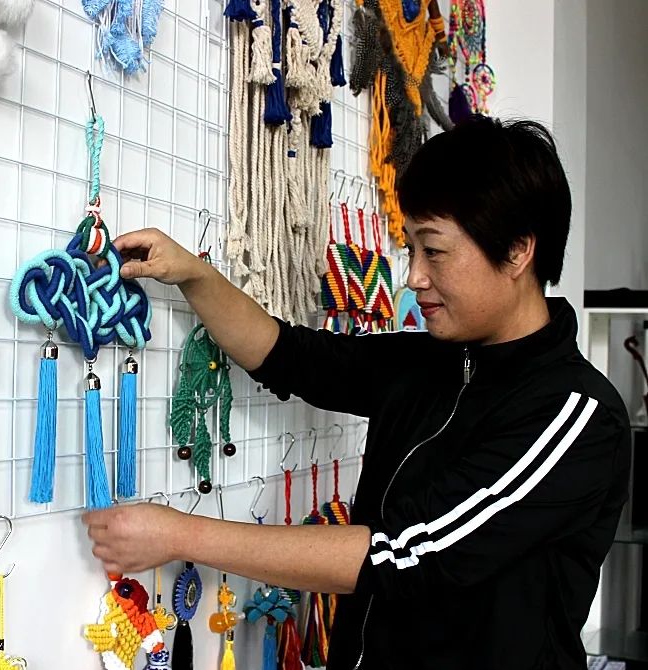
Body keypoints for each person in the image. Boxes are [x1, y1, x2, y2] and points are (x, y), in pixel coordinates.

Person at [82, 117, 631, 669]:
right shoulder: (432, 361)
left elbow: (404, 554)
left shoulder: (575, 417)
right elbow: (288, 356)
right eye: (411, 248)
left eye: (434, 250)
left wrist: (179, 535)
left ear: (517, 251)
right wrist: (193, 275)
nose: (414, 277)